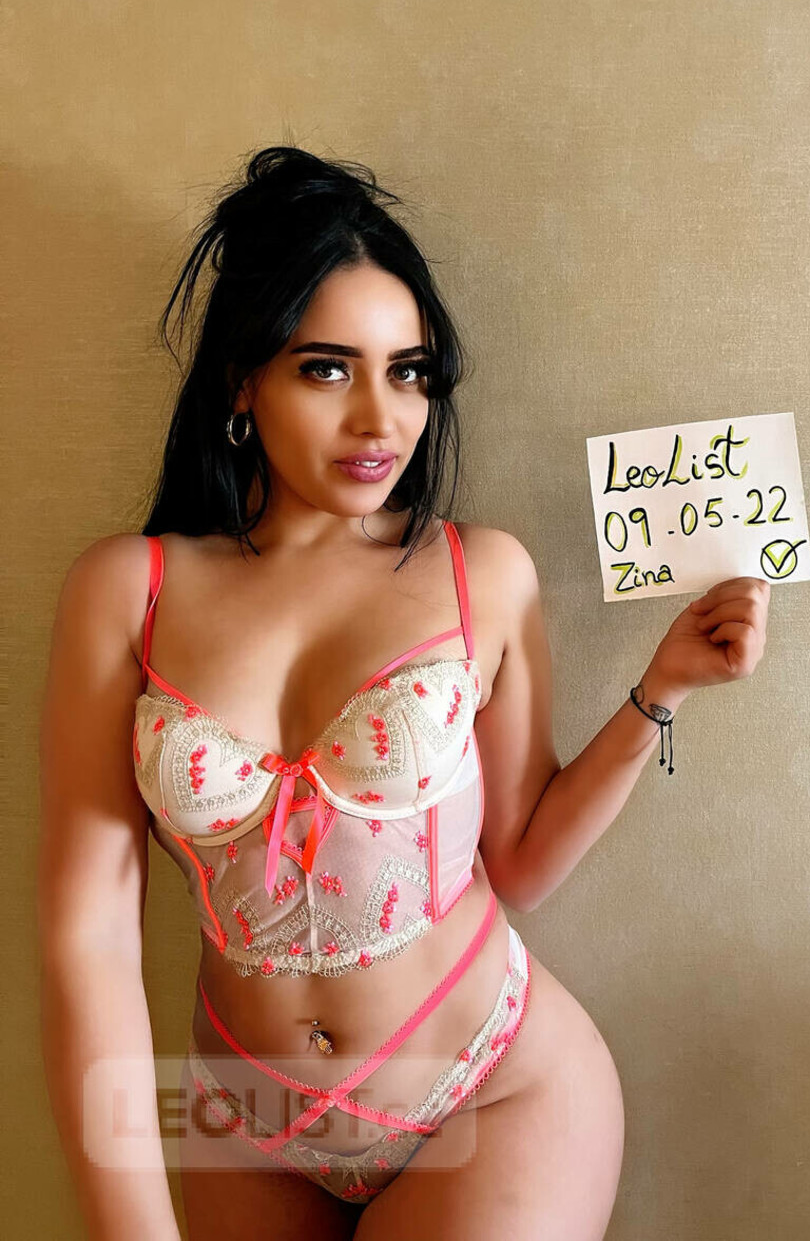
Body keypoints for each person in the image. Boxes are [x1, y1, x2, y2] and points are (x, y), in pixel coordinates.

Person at [37, 145, 771, 1241]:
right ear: (241, 379)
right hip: (242, 1123)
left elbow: (522, 862)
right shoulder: (125, 591)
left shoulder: (481, 573)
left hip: (492, 1094)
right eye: (328, 369)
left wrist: (660, 690)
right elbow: (88, 939)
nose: (382, 420)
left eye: (411, 371)